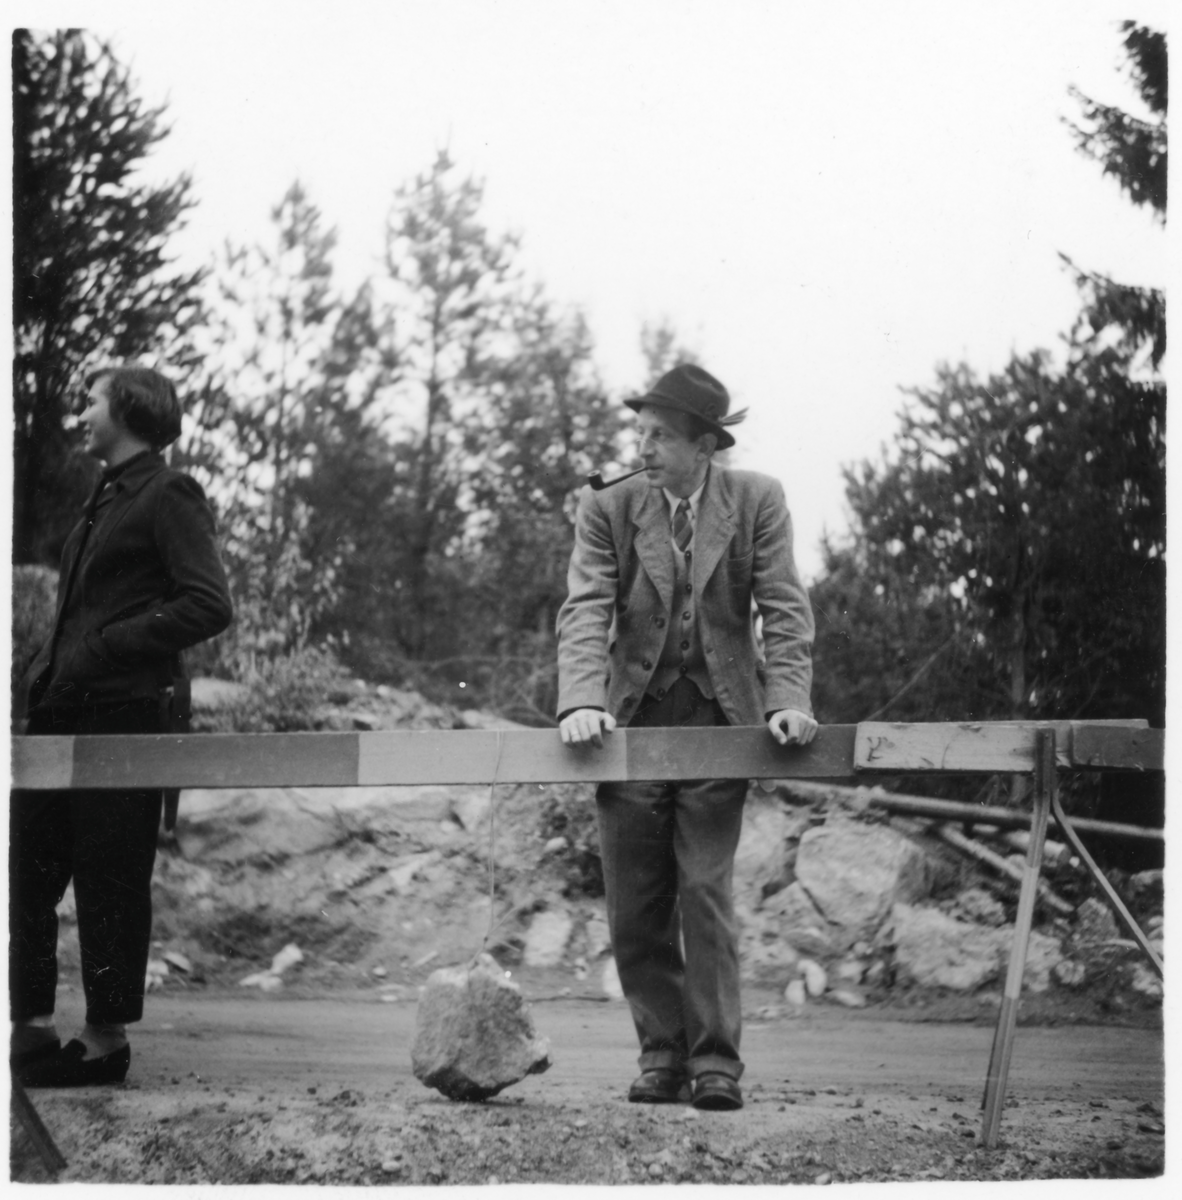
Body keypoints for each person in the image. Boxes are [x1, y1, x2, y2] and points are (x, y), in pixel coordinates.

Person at [556, 364, 817, 1111]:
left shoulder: (756, 500)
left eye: (662, 436)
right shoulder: (608, 504)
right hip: (628, 722)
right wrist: (581, 700)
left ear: (705, 446)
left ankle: (715, 1065)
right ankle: (662, 1056)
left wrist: (787, 702)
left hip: (718, 720)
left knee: (703, 890)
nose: (643, 448)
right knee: (635, 903)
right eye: (640, 432)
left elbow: (784, 608)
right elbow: (585, 607)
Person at [10, 366, 233, 1087]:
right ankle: (30, 1028)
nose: (80, 412)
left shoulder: (169, 492)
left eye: (91, 400)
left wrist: (107, 648)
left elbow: (209, 603)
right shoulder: (102, 498)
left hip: (124, 713)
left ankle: (105, 1040)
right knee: (26, 871)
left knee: (109, 880)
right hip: (59, 714)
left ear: (129, 411)